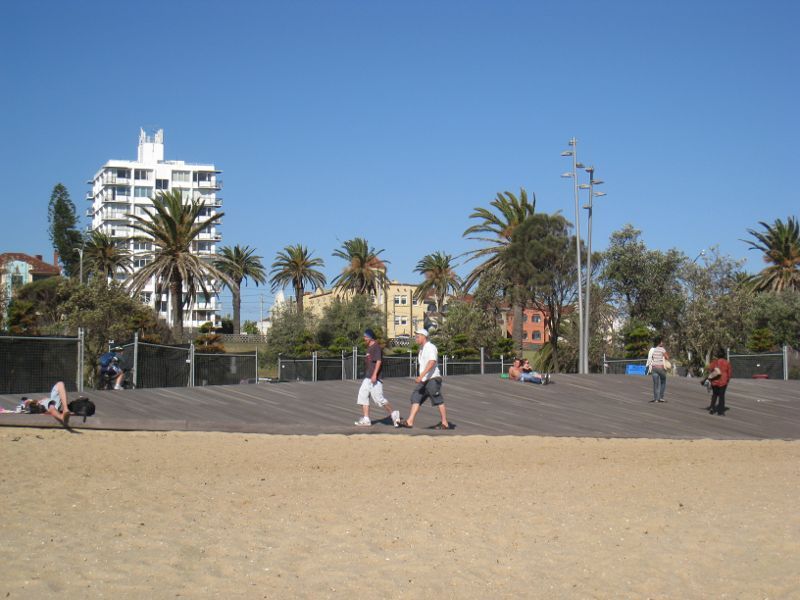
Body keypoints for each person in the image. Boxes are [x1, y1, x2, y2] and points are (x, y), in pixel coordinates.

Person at [397, 328, 449, 429]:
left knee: (437, 399)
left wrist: (421, 375)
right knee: (416, 397)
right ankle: (410, 421)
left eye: (417, 336)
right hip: (424, 380)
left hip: (433, 378)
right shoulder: (422, 349)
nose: (416, 338)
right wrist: (422, 377)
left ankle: (444, 423)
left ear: (424, 337)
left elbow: (432, 362)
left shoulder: (430, 347)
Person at [354, 329, 401, 427]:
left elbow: (379, 361)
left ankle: (394, 414)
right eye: (364, 336)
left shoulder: (376, 347)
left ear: (371, 337)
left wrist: (375, 375)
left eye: (366, 336)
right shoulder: (369, 347)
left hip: (375, 378)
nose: (364, 338)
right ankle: (366, 419)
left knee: (379, 399)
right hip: (368, 377)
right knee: (363, 396)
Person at [702, 349, 732, 415]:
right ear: (724, 355)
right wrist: (728, 379)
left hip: (715, 381)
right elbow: (729, 373)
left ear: (717, 355)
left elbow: (709, 368)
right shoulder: (727, 363)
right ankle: (720, 411)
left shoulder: (715, 362)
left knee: (714, 395)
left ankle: (712, 408)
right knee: (722, 396)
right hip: (724, 381)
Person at [645, 337, 670, 403]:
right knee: (663, 381)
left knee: (655, 384)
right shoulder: (662, 349)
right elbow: (667, 357)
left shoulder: (653, 349)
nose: (663, 343)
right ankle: (661, 397)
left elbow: (651, 357)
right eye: (662, 342)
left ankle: (656, 399)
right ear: (660, 342)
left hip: (654, 368)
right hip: (660, 368)